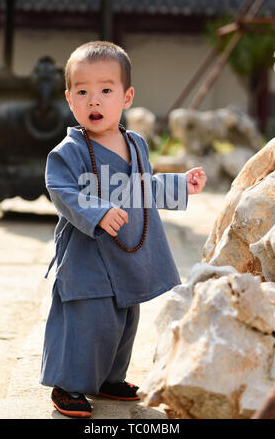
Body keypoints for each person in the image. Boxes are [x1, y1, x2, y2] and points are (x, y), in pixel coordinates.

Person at [40, 40, 207, 418]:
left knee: (122, 321)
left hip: (128, 249)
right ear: (69, 99)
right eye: (82, 92)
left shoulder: (136, 145)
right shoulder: (70, 151)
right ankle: (68, 384)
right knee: (86, 320)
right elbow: (60, 189)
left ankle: (109, 378)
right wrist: (97, 211)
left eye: (105, 90)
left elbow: (144, 187)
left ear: (126, 96)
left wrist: (182, 185)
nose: (93, 101)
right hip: (88, 254)